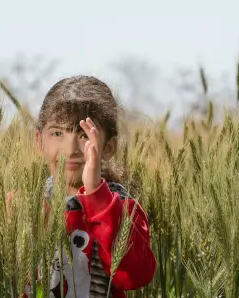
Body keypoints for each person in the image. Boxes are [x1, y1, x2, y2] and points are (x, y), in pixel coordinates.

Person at [27, 75, 156, 297]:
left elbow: (136, 275)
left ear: (108, 147)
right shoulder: (27, 205)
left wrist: (97, 197)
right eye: (58, 133)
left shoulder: (122, 206)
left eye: (84, 134)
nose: (70, 149)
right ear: (39, 141)